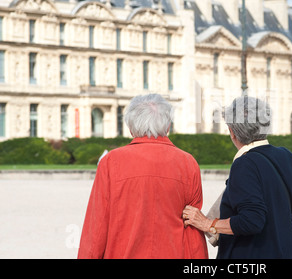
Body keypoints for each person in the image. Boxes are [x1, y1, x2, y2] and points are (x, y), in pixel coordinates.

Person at [182, 96, 292, 259]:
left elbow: (251, 221)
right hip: (289, 250)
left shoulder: (244, 164)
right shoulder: (285, 155)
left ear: (232, 132)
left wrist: (208, 224)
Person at [78, 94, 208, 259]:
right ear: (168, 126)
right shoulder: (188, 163)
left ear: (131, 128)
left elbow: (96, 227)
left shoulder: (111, 162)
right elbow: (192, 228)